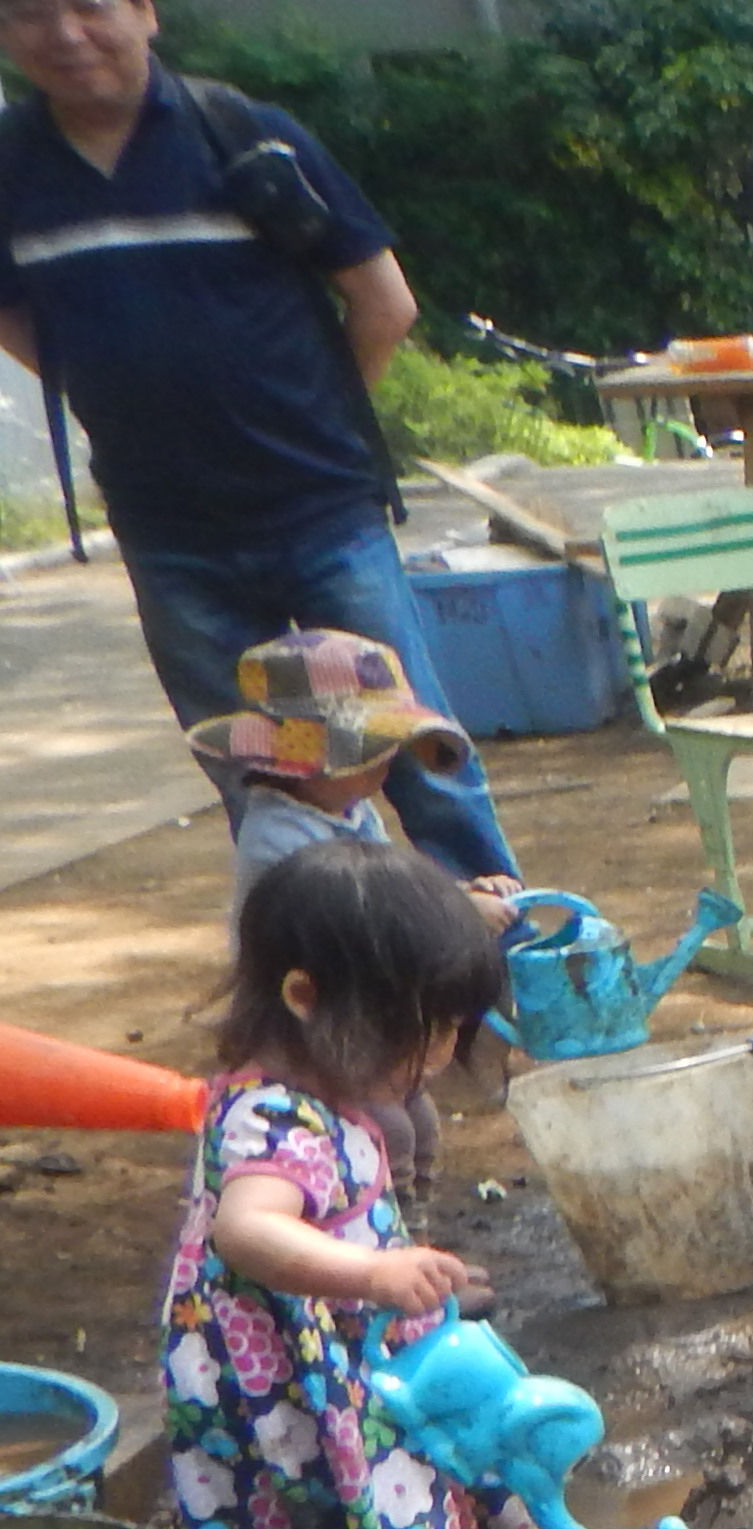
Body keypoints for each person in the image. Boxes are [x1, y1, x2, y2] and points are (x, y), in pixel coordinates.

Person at [0, 0, 519, 887]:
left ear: (145, 14)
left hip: (323, 512)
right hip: (167, 530)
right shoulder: (11, 168)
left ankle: (497, 950)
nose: (65, 35)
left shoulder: (245, 136)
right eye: (31, 15)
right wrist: (115, 390)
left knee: (416, 753)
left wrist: (313, 421)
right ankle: (324, 953)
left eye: (90, 6)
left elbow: (385, 303)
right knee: (261, 777)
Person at [163, 836, 566, 1529]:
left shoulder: (303, 1094)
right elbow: (249, 1231)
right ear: (305, 997)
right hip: (304, 1386)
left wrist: (408, 1274)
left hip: (303, 1376)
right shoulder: (275, 1119)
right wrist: (375, 1277)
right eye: (419, 1029)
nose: (436, 1055)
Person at [186, 628, 515, 1198]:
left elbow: (388, 882)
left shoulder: (352, 812)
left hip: (365, 1001)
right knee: (385, 1130)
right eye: (371, 748)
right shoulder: (278, 836)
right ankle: (377, 1229)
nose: (388, 762)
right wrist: (457, 910)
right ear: (307, 758)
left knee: (419, 1120)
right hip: (311, 1017)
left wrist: (458, 891)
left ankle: (412, 1224)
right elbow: (360, 917)